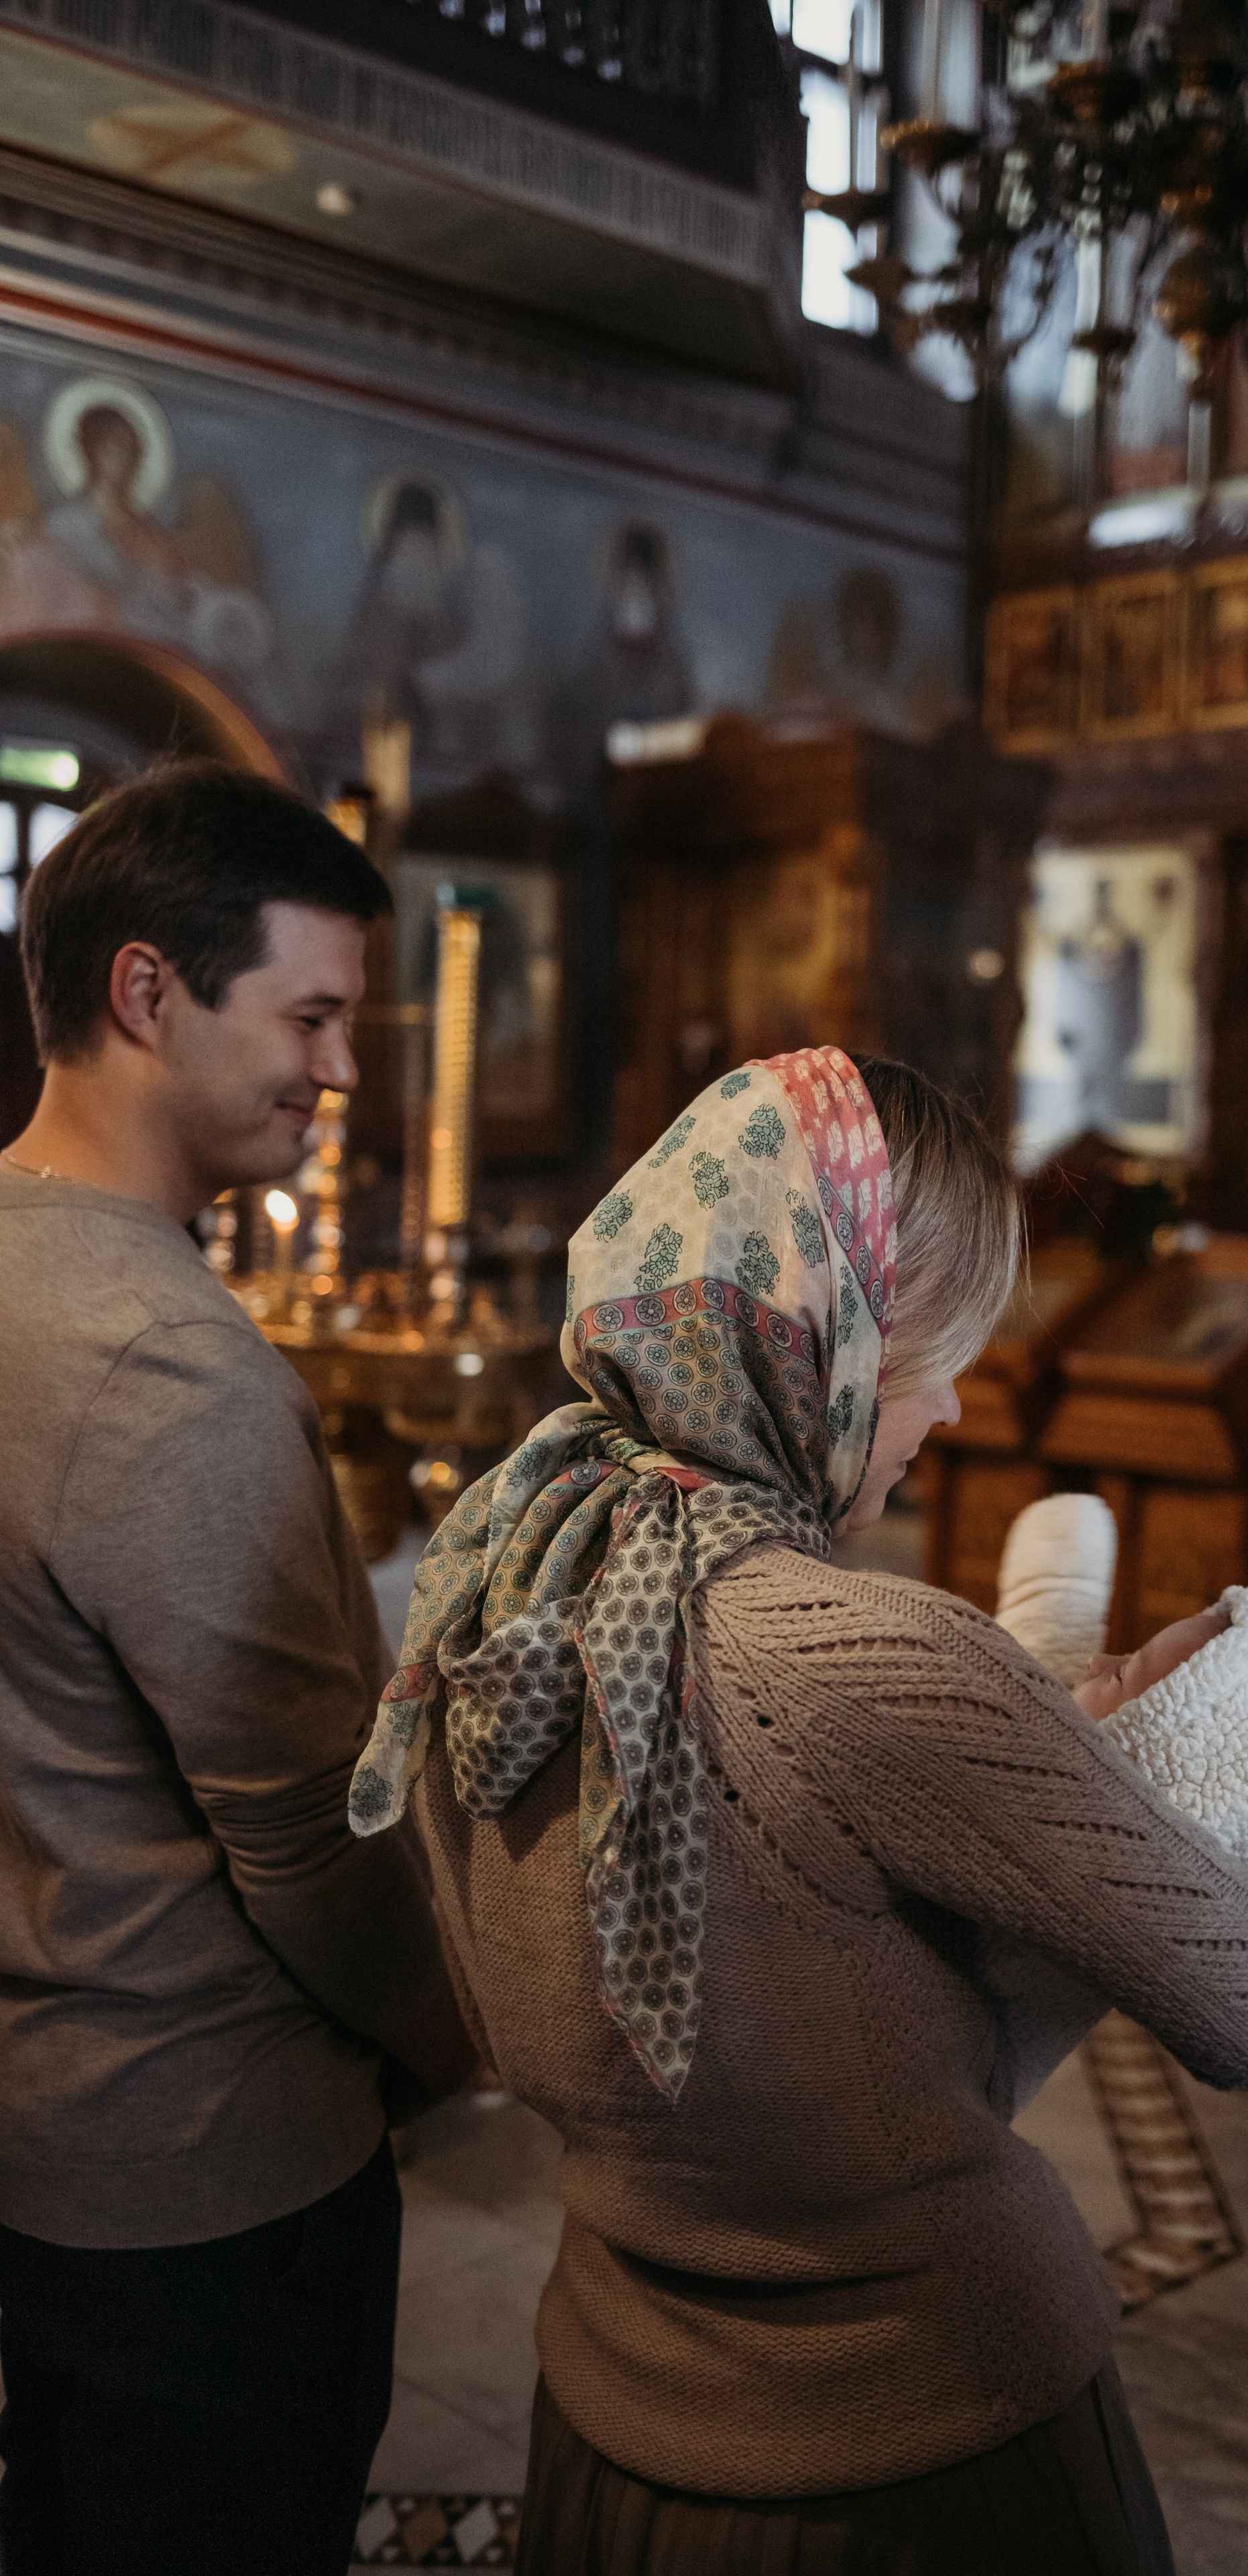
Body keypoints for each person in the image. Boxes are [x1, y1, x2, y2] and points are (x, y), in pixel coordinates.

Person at [349, 1043, 1248, 2573]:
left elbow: (782, 2016)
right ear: (819, 1332)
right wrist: (1149, 1780)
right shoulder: (868, 1662)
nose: (948, 1405)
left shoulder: (504, 1580)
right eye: (930, 1349)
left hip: (612, 2407)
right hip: (919, 2454)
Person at [0, 762, 475, 2576]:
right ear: (147, 993)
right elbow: (312, 1846)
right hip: (208, 2179)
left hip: (45, 2138)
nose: (343, 1070)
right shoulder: (159, 1361)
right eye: (312, 1012)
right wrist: (463, 2042)